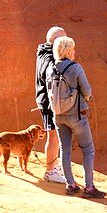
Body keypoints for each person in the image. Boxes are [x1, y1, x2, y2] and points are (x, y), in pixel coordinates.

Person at [47, 35, 105, 199]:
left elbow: (49, 91)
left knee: (65, 149)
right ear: (67, 51)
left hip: (58, 116)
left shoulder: (50, 68)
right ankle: (89, 187)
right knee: (88, 149)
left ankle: (70, 184)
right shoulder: (75, 68)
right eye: (72, 48)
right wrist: (87, 98)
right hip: (76, 115)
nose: (74, 51)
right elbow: (86, 90)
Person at [35, 25, 66, 183]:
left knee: (56, 134)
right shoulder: (48, 57)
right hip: (48, 102)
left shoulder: (45, 52)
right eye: (63, 40)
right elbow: (49, 74)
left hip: (49, 101)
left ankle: (55, 166)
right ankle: (50, 171)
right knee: (53, 135)